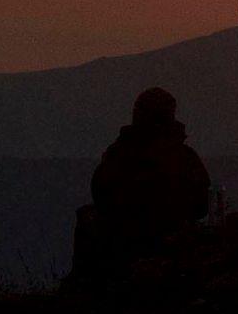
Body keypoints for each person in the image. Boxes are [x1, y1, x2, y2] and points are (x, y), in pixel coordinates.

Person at [79, 87, 212, 269]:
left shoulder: (117, 156)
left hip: (122, 254)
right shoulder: (185, 158)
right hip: (173, 254)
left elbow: (101, 196)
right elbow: (202, 205)